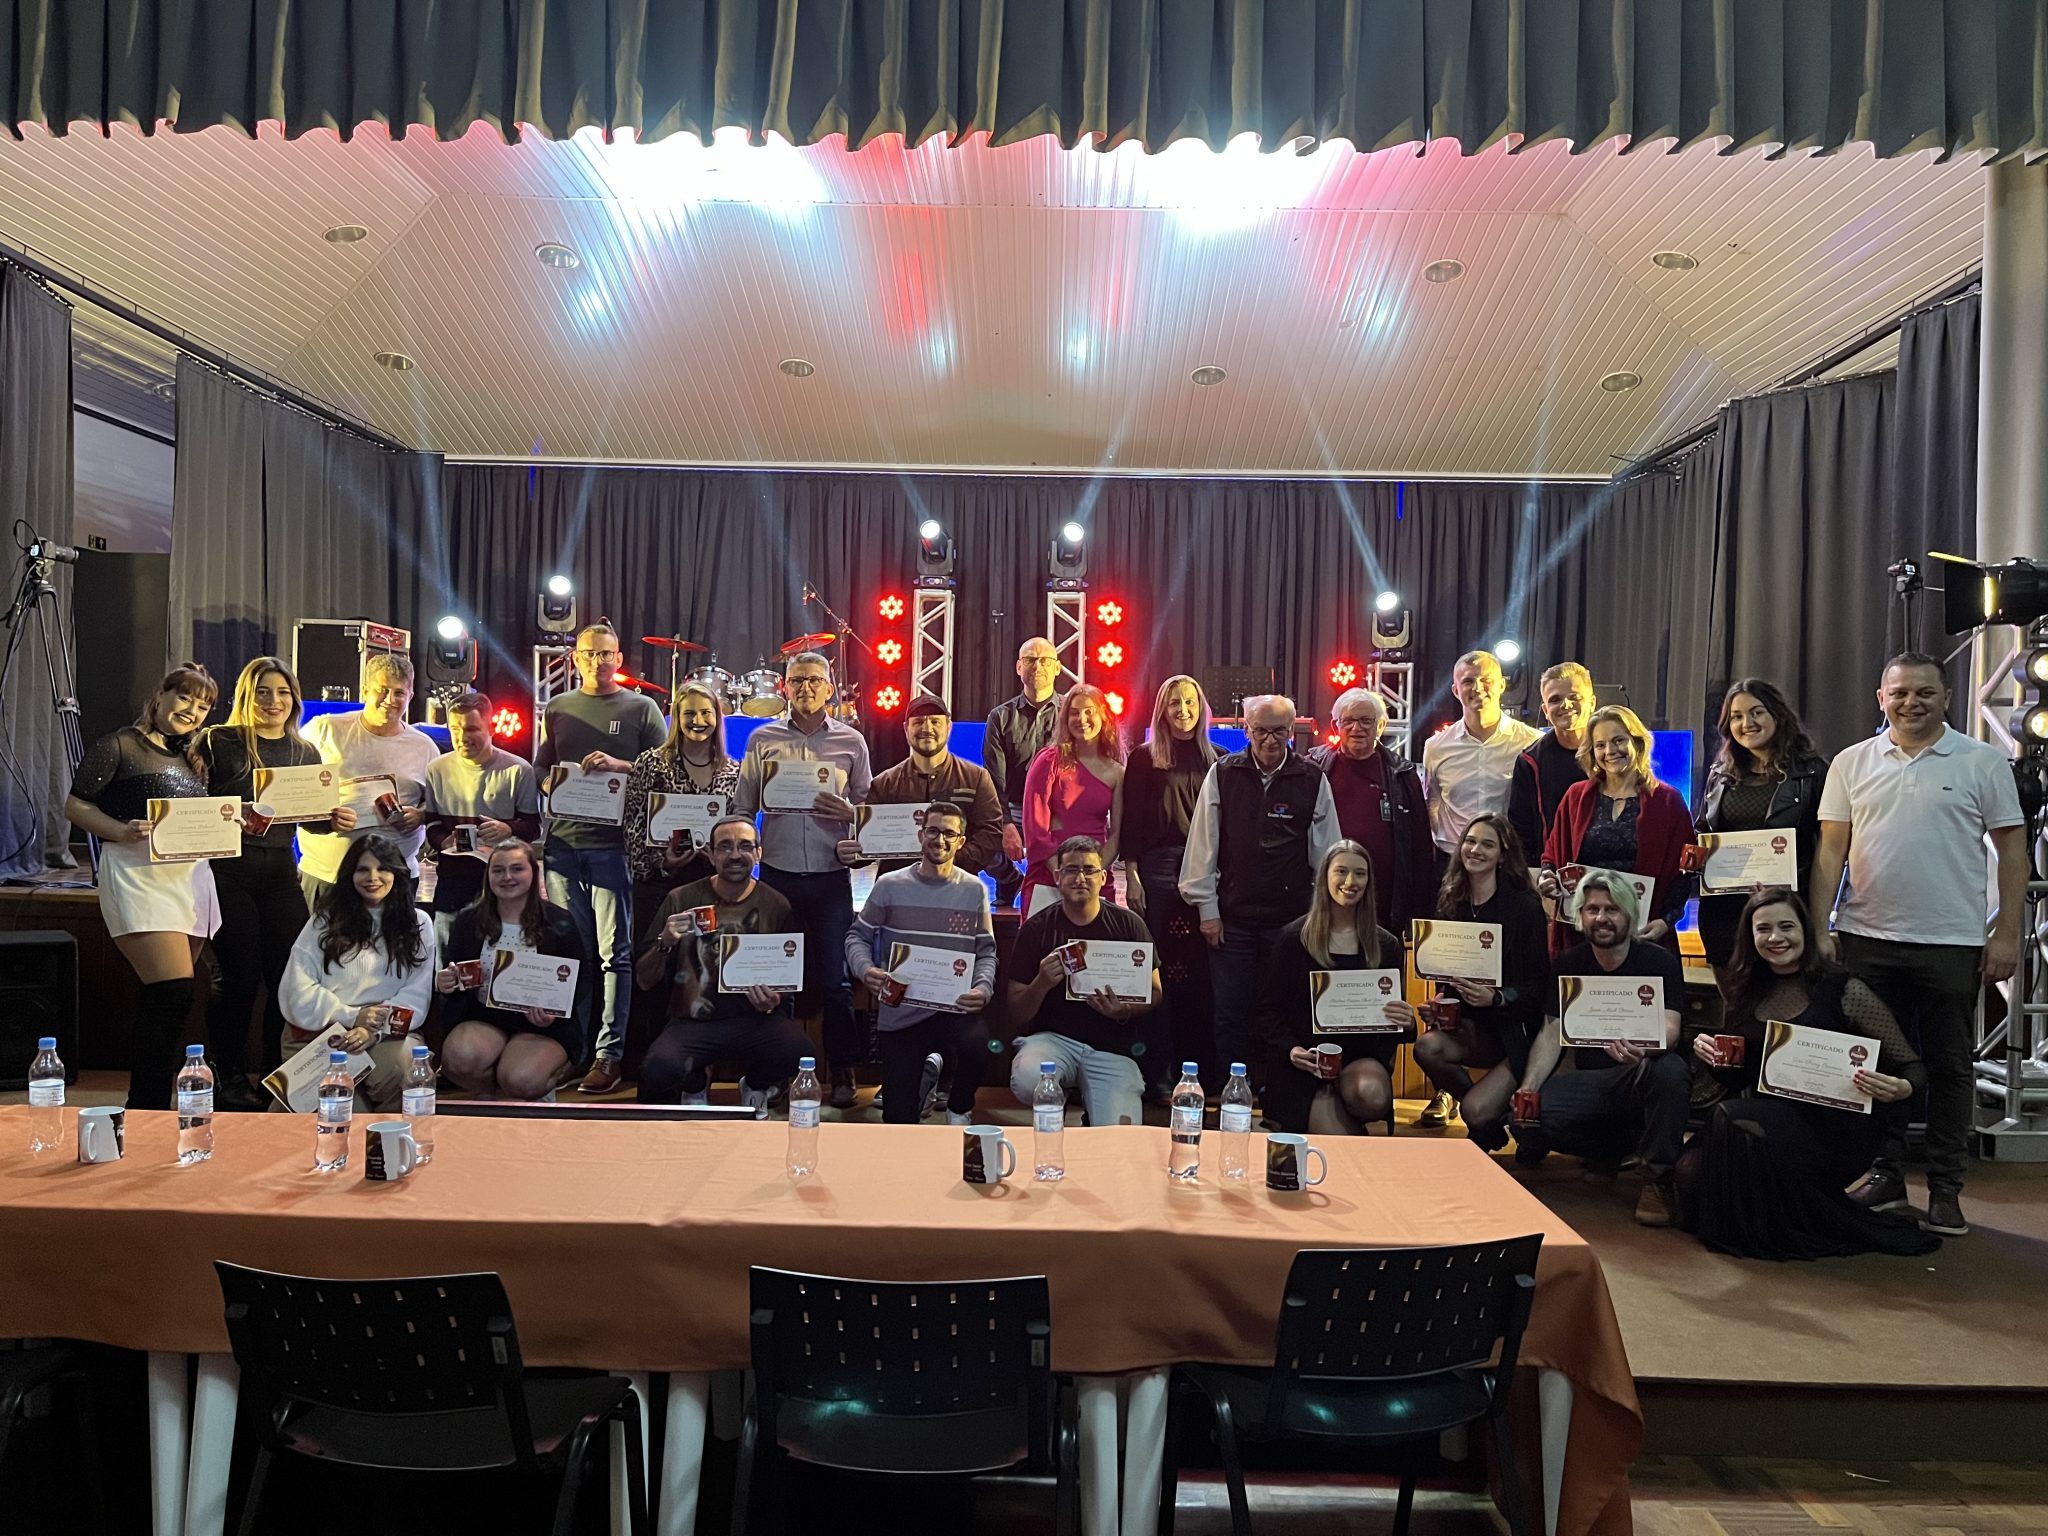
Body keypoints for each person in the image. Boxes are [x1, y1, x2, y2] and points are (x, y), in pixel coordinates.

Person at [1812, 652, 2027, 1239]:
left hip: (1951, 943)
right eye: (1900, 693)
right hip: (1866, 938)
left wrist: (2007, 932)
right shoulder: (1851, 762)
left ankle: (1946, 1189)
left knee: (1950, 1067)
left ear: (1947, 698)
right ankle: (1884, 1173)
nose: (1911, 703)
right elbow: (1831, 852)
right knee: (1873, 1062)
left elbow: (2013, 852)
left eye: (1925, 693)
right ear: (1880, 698)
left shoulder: (1983, 761)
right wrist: (1819, 926)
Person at [1677, 890, 1935, 1260]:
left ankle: (1768, 1227)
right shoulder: (1744, 990)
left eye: (1787, 927)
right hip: (1770, 1120)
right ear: (1750, 937)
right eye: (1763, 929)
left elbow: (1912, 1066)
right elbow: (1738, 1078)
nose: (1775, 937)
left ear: (1806, 931)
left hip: (1833, 1129)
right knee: (1689, 1175)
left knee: (1726, 1119)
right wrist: (1716, 1060)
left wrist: (1903, 1087)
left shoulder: (1844, 988)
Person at [65, 664, 223, 1109]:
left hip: (190, 879)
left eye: (203, 706)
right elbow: (75, 805)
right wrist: (120, 831)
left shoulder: (196, 755)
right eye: (185, 697)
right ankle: (146, 1106)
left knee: (171, 998)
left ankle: (149, 1104)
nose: (192, 710)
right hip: (138, 874)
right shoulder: (119, 745)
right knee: (171, 992)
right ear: (160, 696)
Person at [198, 656, 343, 1106]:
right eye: (263, 691)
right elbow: (191, 807)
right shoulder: (218, 741)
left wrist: (333, 819)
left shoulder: (305, 752)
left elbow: (312, 822)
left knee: (287, 977)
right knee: (237, 979)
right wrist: (227, 815)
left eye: (282, 692)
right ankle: (228, 1077)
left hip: (281, 872)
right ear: (247, 695)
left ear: (294, 700)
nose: (273, 701)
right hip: (228, 873)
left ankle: (274, 1075)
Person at [733, 649, 873, 1107]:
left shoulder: (852, 741)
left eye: (814, 680)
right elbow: (742, 807)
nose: (806, 688)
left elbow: (867, 812)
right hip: (777, 876)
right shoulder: (762, 738)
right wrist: (746, 847)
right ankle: (780, 1072)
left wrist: (851, 816)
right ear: (784, 688)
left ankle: (843, 1071)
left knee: (835, 981)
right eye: (797, 680)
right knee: (780, 980)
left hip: (832, 879)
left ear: (830, 688)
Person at [1512, 872, 1690, 1227]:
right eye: (1592, 909)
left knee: (1671, 1070)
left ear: (1630, 915)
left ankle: (1657, 1179)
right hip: (1593, 1081)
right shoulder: (1569, 963)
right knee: (1524, 1124)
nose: (1601, 918)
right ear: (1580, 916)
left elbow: (1671, 1029)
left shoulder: (1660, 962)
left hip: (1640, 1074)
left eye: (1612, 909)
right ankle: (1610, 1151)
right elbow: (1551, 1032)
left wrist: (1645, 1049)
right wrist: (1528, 1088)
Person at [534, 621, 667, 1094]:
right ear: (576, 659)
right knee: (576, 952)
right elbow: (542, 765)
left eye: (606, 653)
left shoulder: (641, 707)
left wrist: (619, 767)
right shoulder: (559, 706)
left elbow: (663, 772)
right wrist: (552, 784)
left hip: (615, 847)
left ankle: (609, 1056)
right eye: (589, 654)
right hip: (563, 848)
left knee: (615, 955)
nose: (598, 661)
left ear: (619, 659)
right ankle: (576, 1050)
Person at [1179, 693, 1341, 1077]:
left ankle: (1275, 1088)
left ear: (1292, 731)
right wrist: (1207, 911)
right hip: (1232, 917)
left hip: (1290, 920)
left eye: (1279, 731)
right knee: (1230, 1010)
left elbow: (1327, 854)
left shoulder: (1312, 778)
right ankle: (1233, 1089)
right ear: (1246, 730)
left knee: (1281, 1009)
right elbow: (1203, 845)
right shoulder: (1223, 773)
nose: (1270, 740)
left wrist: (1320, 916)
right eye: (1261, 731)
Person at [634, 815, 812, 1109]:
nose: (735, 855)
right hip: (694, 1022)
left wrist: (774, 998)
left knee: (799, 1051)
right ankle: (695, 1084)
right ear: (711, 854)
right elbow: (643, 979)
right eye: (725, 847)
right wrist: (665, 942)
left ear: (758, 853)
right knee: (659, 1068)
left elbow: (788, 976)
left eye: (745, 846)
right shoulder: (681, 898)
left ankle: (755, 1084)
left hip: (756, 1020)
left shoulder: (777, 904)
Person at [847, 802, 998, 1125]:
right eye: (932, 831)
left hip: (953, 1008)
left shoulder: (974, 890)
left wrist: (983, 989)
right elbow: (856, 937)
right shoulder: (889, 885)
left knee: (978, 1045)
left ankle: (958, 1107)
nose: (939, 840)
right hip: (902, 1013)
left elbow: (986, 952)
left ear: (961, 841)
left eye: (949, 833)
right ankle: (928, 1074)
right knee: (899, 1121)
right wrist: (866, 970)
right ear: (920, 835)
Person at [1255, 842, 1414, 1135]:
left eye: (1360, 874)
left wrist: (1406, 1021)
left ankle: (1341, 1106)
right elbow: (1266, 1013)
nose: (1350, 882)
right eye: (1341, 871)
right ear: (1324, 876)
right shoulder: (1293, 939)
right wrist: (1291, 1049)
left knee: (1371, 1094)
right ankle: (1328, 1108)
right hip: (1304, 1065)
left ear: (1369, 881)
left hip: (1359, 1062)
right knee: (1337, 1146)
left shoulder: (1386, 945)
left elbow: (1393, 1024)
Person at [1003, 835, 1159, 1128]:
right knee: (1028, 1079)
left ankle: (1094, 1108)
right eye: (1071, 870)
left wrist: (1125, 1010)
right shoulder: (1036, 929)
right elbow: (1016, 1011)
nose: (1080, 878)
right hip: (1052, 1042)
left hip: (1111, 1048)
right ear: (1057, 877)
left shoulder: (1129, 925)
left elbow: (1155, 992)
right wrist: (1041, 982)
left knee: (1119, 1134)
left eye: (1089, 870)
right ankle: (1056, 1103)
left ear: (1103, 877)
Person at [1412, 812, 1550, 1144]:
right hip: (1472, 1028)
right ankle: (1491, 1121)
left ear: (1502, 855)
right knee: (1427, 1047)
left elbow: (1540, 988)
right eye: (1470, 842)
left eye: (1487, 844)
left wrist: (1498, 997)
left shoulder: (1525, 907)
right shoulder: (1452, 900)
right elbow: (1448, 974)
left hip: (1515, 1032)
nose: (1475, 850)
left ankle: (1488, 1117)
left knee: (1474, 1112)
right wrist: (1439, 1005)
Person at [279, 832, 437, 1111]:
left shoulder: (419, 923)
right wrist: (352, 1017)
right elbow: (297, 990)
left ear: (397, 873)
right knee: (341, 1113)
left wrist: (371, 1030)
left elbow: (415, 996)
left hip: (385, 1033)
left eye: (382, 868)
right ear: (350, 875)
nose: (372, 877)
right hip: (323, 1030)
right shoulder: (324, 921)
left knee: (406, 1071)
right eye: (363, 869)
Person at [1114, 675, 1220, 1085]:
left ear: (1202, 708)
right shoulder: (1144, 759)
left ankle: (1202, 1070)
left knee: (1200, 975)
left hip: (1206, 872)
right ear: (1162, 710)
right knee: (1160, 973)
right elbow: (1132, 823)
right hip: (1157, 871)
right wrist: (1132, 875)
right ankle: (1157, 1070)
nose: (1183, 710)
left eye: (1190, 702)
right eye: (1174, 703)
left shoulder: (1219, 759)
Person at [434, 839, 594, 1100]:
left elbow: (582, 978)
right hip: (483, 1016)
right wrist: (445, 982)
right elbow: (454, 971)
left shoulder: (558, 921)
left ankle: (534, 1095)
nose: (507, 877)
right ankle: (490, 1099)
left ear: (533, 872)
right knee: (459, 1060)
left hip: (542, 1025)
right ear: (488, 876)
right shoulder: (468, 920)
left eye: (517, 869)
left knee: (522, 1079)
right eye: (498, 870)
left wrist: (553, 1011)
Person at [1694, 679, 1828, 968]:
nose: (1747, 723)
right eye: (1736, 716)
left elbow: (1828, 850)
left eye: (1757, 712)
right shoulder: (1720, 773)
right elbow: (1704, 830)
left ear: (1777, 715)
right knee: (1734, 993)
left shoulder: (1812, 772)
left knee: (1786, 991)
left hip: (1786, 911)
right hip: (1724, 912)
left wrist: (1820, 923)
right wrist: (1694, 856)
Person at [1541, 704, 1694, 951]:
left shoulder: (1669, 801)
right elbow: (1551, 854)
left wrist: (1666, 921)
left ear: (1637, 742)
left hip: (1644, 935)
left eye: (1619, 740)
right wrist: (1547, 876)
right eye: (1600, 745)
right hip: (1583, 934)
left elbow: (1686, 871)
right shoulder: (1575, 797)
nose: (1610, 751)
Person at [298, 652, 439, 910]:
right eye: (382, 690)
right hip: (326, 875)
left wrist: (420, 815)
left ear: (410, 696)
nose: (390, 699)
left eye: (399, 692)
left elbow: (440, 804)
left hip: (396, 877)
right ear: (365, 691)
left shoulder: (425, 747)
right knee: (320, 938)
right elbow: (293, 792)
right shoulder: (323, 730)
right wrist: (325, 818)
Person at [835, 695, 1002, 878]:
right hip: (898, 889)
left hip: (957, 886)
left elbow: (990, 834)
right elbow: (870, 842)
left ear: (948, 727)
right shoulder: (884, 783)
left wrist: (949, 861)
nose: (927, 728)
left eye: (935, 722)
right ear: (906, 729)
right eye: (918, 722)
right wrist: (849, 853)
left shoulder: (976, 779)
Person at [422, 691, 541, 944]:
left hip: (502, 881)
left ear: (491, 728)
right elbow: (431, 823)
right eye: (455, 729)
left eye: (472, 729)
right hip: (453, 878)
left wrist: (508, 829)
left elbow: (533, 827)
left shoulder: (518, 770)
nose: (462, 737)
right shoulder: (436, 769)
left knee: (501, 951)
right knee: (448, 952)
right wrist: (443, 841)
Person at [1422, 650, 1542, 868]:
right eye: (1468, 681)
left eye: (1486, 680)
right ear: (1455, 690)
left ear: (1502, 685)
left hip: (1508, 861)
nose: (1477, 688)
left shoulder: (1531, 742)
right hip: (1452, 861)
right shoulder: (1436, 746)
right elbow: (1432, 804)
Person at [622, 680, 740, 897]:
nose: (698, 721)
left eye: (706, 713)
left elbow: (737, 829)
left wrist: (720, 853)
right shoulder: (651, 763)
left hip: (713, 883)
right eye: (689, 713)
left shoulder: (732, 770)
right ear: (677, 718)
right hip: (658, 885)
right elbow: (633, 829)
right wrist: (663, 861)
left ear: (717, 717)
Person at [1019, 683, 1125, 913]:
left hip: (1096, 881)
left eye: (1089, 712)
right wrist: (1063, 873)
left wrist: (1091, 874)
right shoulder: (1049, 760)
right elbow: (1035, 828)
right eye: (1074, 713)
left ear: (1104, 716)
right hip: (1049, 875)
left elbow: (1117, 835)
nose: (1081, 719)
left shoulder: (1117, 772)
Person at [983, 636, 1064, 908]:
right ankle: (1009, 879)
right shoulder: (1000, 717)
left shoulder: (1072, 714)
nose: (1037, 666)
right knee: (976, 835)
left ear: (1057, 668)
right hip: (1015, 808)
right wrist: (1005, 824)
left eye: (1045, 660)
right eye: (1030, 660)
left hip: (1058, 810)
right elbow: (994, 780)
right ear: (1019, 667)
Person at [1507, 662, 1593, 867]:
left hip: (1607, 872)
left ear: (1592, 703)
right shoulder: (1530, 761)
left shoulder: (1612, 755)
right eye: (1555, 699)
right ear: (1545, 710)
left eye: (1574, 697)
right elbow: (1521, 829)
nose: (1566, 705)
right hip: (1551, 872)